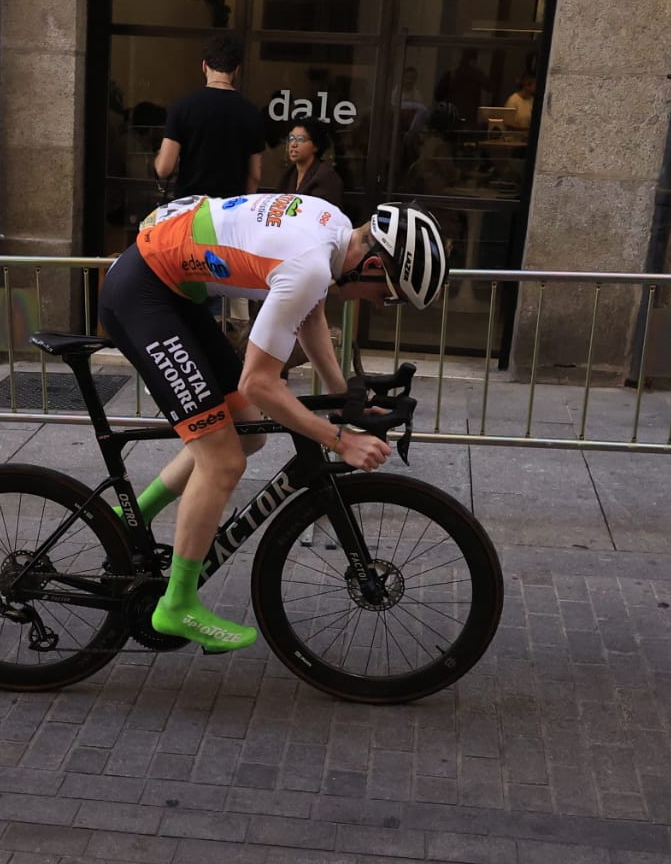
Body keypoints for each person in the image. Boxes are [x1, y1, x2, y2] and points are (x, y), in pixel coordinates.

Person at [96, 195, 449, 652]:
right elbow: (260, 382)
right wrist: (340, 441)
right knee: (222, 461)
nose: (381, 306)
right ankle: (176, 604)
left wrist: (343, 400)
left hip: (171, 293)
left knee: (249, 432)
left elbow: (310, 314)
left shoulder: (332, 228)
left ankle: (130, 517)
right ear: (374, 266)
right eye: (388, 295)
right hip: (143, 294)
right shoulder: (311, 266)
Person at [154, 32, 265, 198]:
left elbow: (164, 168)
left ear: (204, 66)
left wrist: (158, 158)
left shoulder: (182, 108)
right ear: (236, 70)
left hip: (191, 206)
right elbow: (255, 175)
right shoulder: (251, 113)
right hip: (230, 207)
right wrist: (243, 204)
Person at [274, 120, 345, 205]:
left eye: (300, 139)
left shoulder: (327, 177)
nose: (293, 144)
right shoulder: (289, 174)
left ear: (316, 146)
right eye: (291, 138)